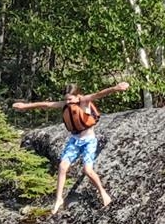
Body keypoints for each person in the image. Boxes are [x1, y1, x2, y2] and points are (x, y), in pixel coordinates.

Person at [12, 81, 130, 215]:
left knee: (88, 170)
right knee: (62, 167)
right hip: (74, 141)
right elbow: (46, 104)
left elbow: (100, 94)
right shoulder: (66, 104)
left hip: (89, 141)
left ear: (78, 96)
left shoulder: (84, 100)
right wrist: (25, 106)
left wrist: (115, 88)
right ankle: (58, 199)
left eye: (70, 99)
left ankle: (103, 193)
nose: (68, 102)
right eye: (66, 99)